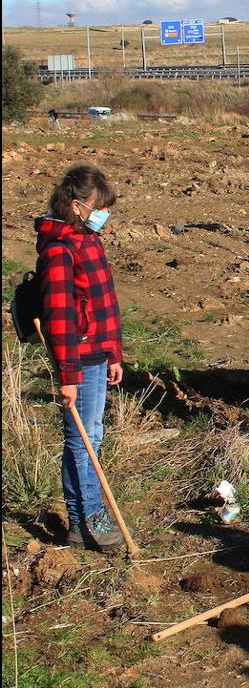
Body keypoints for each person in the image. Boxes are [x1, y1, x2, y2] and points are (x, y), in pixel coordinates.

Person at [36, 164, 124, 553]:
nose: (103, 213)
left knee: (94, 434)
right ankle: (85, 519)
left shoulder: (88, 239)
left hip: (98, 353)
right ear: (76, 206)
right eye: (97, 206)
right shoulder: (58, 249)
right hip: (80, 357)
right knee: (81, 439)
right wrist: (67, 374)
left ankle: (89, 514)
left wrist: (114, 353)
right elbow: (59, 319)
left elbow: (103, 304)